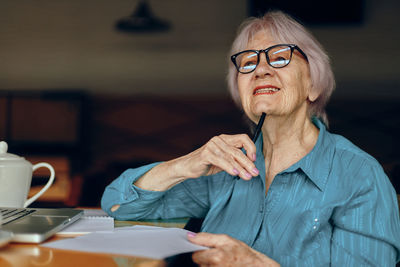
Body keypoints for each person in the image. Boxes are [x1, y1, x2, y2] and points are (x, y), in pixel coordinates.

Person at [101, 10, 400, 266]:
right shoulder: (226, 167)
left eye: (280, 58)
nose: (261, 69)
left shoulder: (360, 176)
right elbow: (116, 207)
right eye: (247, 62)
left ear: (313, 86)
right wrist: (185, 164)